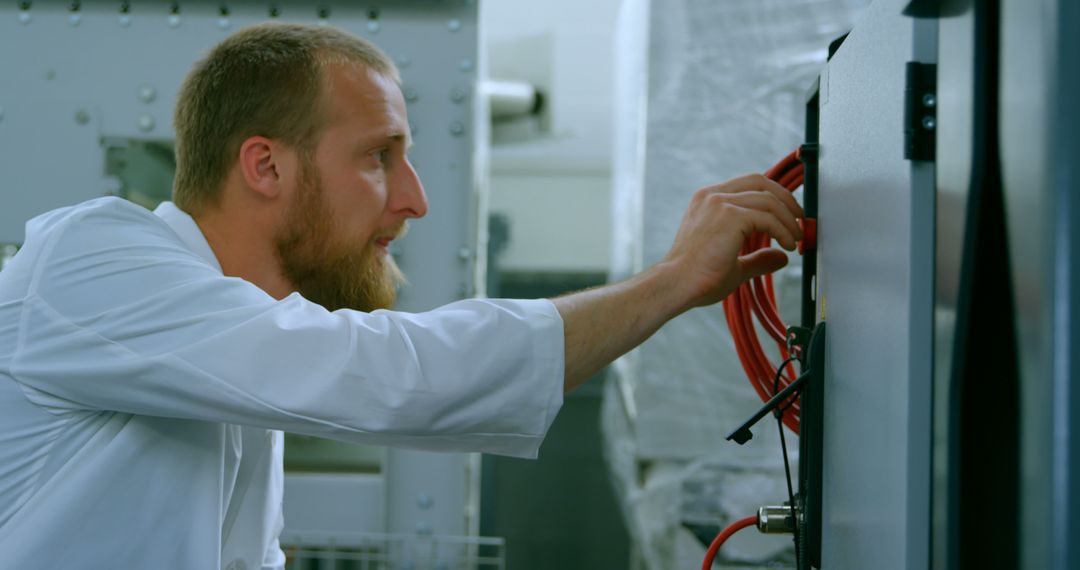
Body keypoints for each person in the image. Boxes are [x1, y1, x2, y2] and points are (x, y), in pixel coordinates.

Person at [0, 23, 803, 569]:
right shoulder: (89, 261)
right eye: (380, 156)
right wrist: (668, 285)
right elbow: (386, 376)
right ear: (266, 167)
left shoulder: (235, 336)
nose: (414, 199)